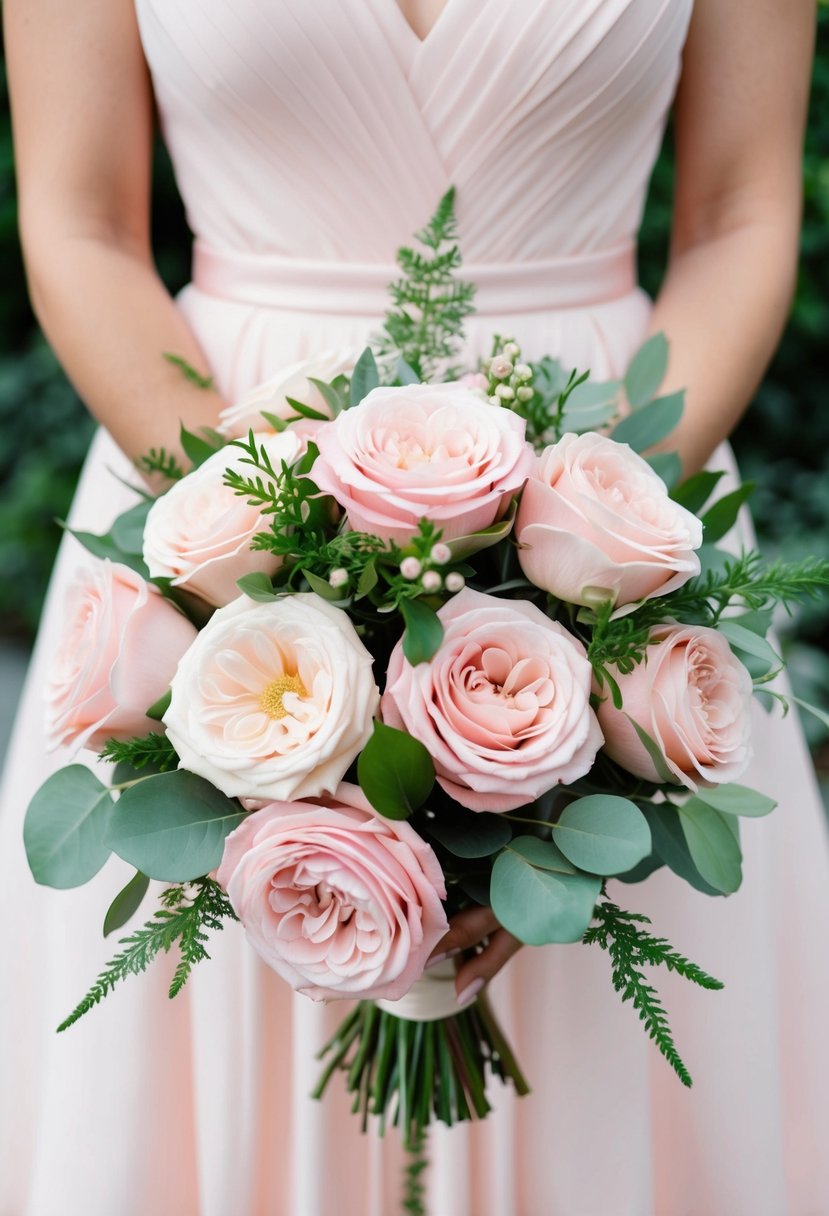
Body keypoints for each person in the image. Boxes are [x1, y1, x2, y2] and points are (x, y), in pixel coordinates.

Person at [1, 1, 826, 1213]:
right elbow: (81, 222)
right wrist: (273, 555)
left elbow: (735, 215)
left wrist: (577, 559)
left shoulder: (601, 532)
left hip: (616, 498)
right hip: (216, 480)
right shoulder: (237, 516)